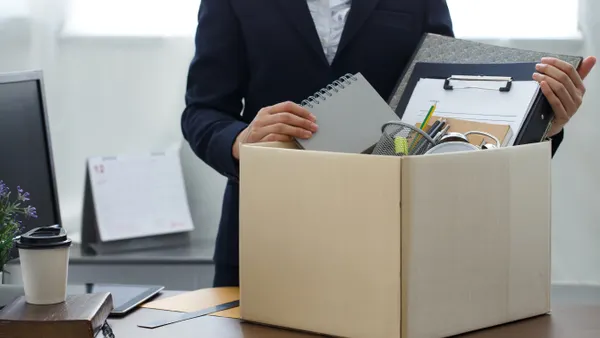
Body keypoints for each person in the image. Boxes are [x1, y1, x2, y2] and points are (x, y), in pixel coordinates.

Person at [181, 0, 596, 287]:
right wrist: (239, 139)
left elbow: (450, 108)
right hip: (264, 232)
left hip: (388, 236)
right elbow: (202, 110)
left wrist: (544, 123)